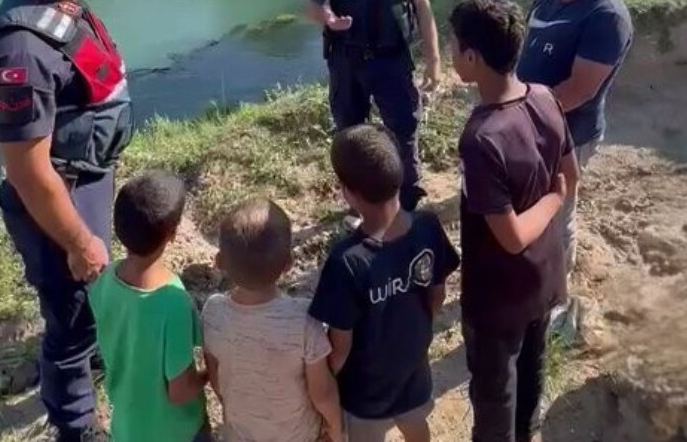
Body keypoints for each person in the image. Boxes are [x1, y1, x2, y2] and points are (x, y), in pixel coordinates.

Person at [0, 0, 134, 441]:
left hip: (84, 182)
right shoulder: (19, 52)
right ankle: (77, 425)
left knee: (88, 306)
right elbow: (27, 171)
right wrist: (78, 240)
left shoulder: (63, 3)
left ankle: (88, 367)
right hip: (55, 204)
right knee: (69, 323)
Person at [450, 0, 579, 442]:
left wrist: (552, 200)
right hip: (543, 275)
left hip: (497, 298)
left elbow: (511, 236)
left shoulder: (481, 138)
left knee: (494, 398)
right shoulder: (544, 98)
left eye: (454, 45)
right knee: (532, 374)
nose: (452, 53)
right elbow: (571, 173)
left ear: (471, 56)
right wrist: (558, 196)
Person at [308, 124, 460, 442]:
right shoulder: (428, 227)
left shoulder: (347, 261)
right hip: (413, 369)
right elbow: (436, 294)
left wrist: (324, 386)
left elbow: (340, 348)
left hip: (364, 395)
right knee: (416, 422)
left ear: (347, 192)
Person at [305, 0, 443, 214]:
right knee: (352, 134)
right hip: (347, 61)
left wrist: (434, 60)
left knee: (404, 127)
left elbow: (422, 7)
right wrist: (328, 18)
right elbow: (312, 4)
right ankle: (360, 205)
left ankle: (408, 199)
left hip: (392, 60)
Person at [515, 0, 633, 274]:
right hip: (529, 124)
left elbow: (578, 91)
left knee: (557, 214)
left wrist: (519, 116)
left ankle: (557, 298)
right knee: (528, 205)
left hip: (567, 136)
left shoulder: (605, 18)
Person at [201, 198, 344, 442]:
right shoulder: (304, 319)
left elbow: (217, 379)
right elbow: (321, 393)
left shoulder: (213, 313)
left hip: (240, 433)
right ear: (288, 263)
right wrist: (335, 428)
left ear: (219, 262)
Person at [87, 171, 209, 441]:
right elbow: (180, 391)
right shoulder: (173, 301)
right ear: (173, 235)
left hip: (128, 430)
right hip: (178, 432)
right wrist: (210, 373)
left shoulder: (103, 281)